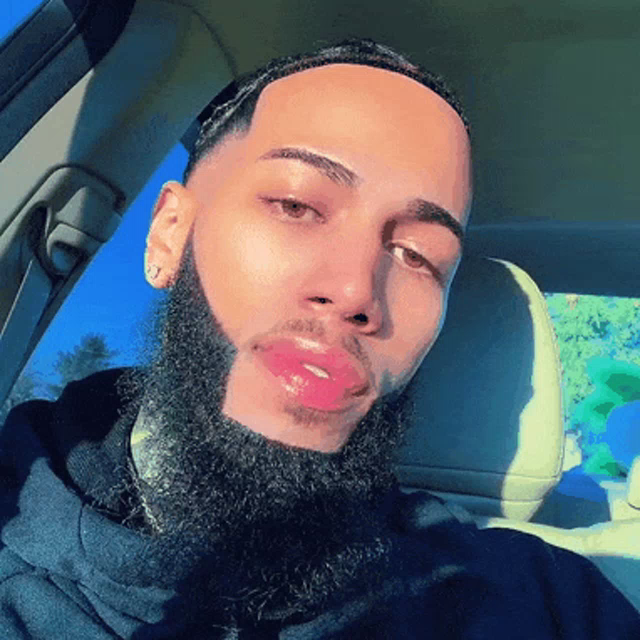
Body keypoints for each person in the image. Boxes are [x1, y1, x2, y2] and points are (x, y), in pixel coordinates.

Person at [0, 39, 638, 639]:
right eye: (296, 206)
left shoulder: (542, 602)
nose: (357, 290)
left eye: (418, 255)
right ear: (170, 234)